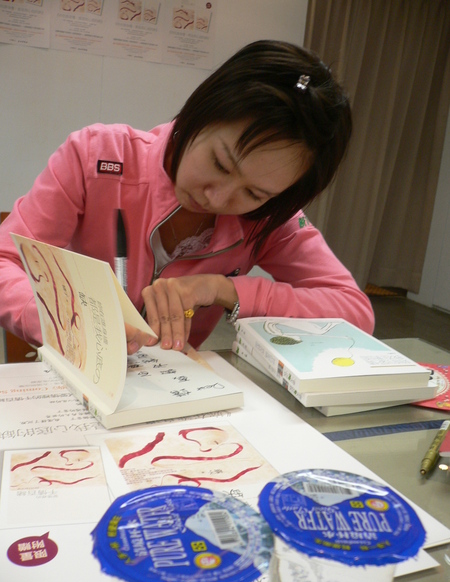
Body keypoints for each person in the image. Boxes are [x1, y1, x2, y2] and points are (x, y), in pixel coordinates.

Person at [0, 39, 374, 356]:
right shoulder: (97, 159)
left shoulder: (268, 217)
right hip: (79, 370)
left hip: (174, 392)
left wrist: (222, 288)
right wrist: (64, 316)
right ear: (202, 113)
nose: (218, 198)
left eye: (254, 192)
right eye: (219, 163)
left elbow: (354, 310)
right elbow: (5, 262)